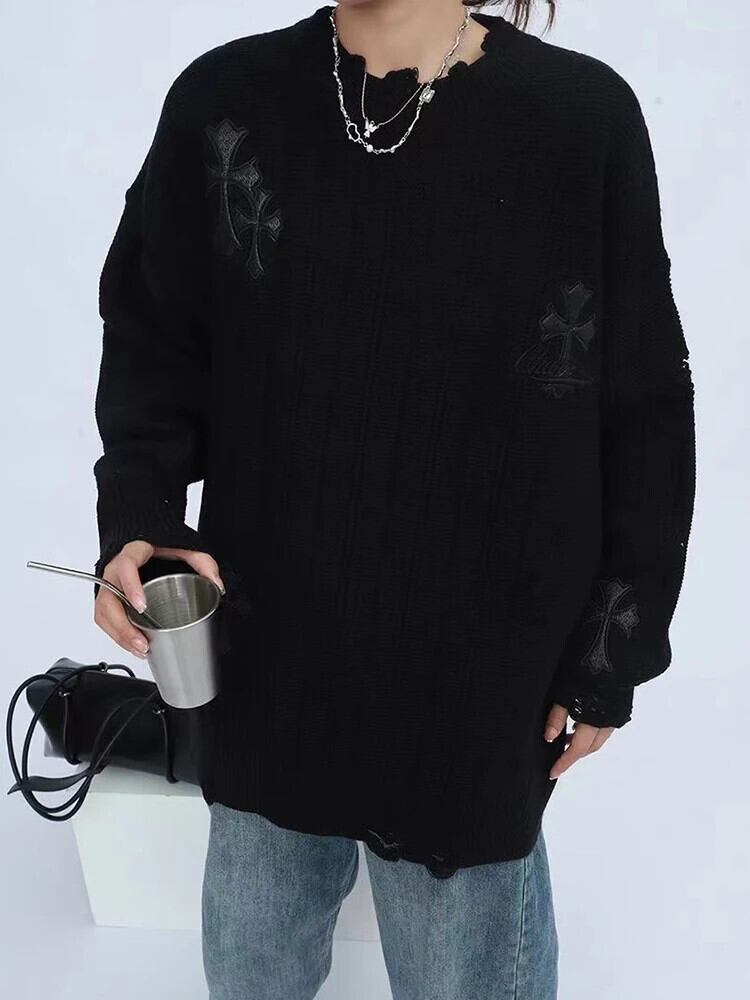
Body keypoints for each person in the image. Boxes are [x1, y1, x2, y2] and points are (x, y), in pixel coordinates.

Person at [91, 1, 696, 997]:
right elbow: (154, 338)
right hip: (269, 665)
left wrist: (610, 651)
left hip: (477, 693)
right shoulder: (224, 99)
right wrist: (141, 520)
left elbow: (644, 410)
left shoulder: (578, 122)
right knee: (251, 970)